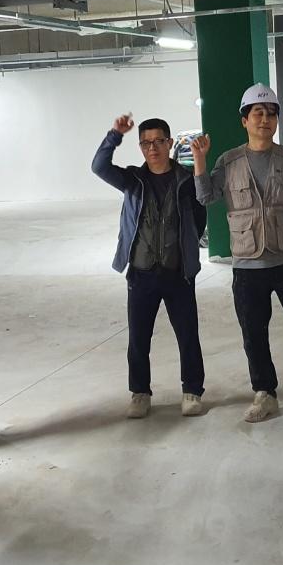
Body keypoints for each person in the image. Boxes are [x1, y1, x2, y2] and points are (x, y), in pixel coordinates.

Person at [192, 84, 283, 424]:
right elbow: (205, 197)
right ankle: (264, 393)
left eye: (271, 113)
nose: (265, 119)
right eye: (257, 113)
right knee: (254, 334)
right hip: (247, 265)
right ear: (244, 120)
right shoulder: (228, 161)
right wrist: (199, 160)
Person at [91, 113, 209, 418]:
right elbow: (99, 167)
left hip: (178, 273)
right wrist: (115, 135)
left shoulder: (185, 180)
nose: (152, 148)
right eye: (146, 143)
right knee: (139, 338)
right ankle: (140, 392)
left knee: (187, 335)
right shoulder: (133, 180)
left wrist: (185, 250)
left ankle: (192, 390)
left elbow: (201, 213)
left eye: (158, 141)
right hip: (141, 273)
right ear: (141, 147)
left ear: (169, 143)